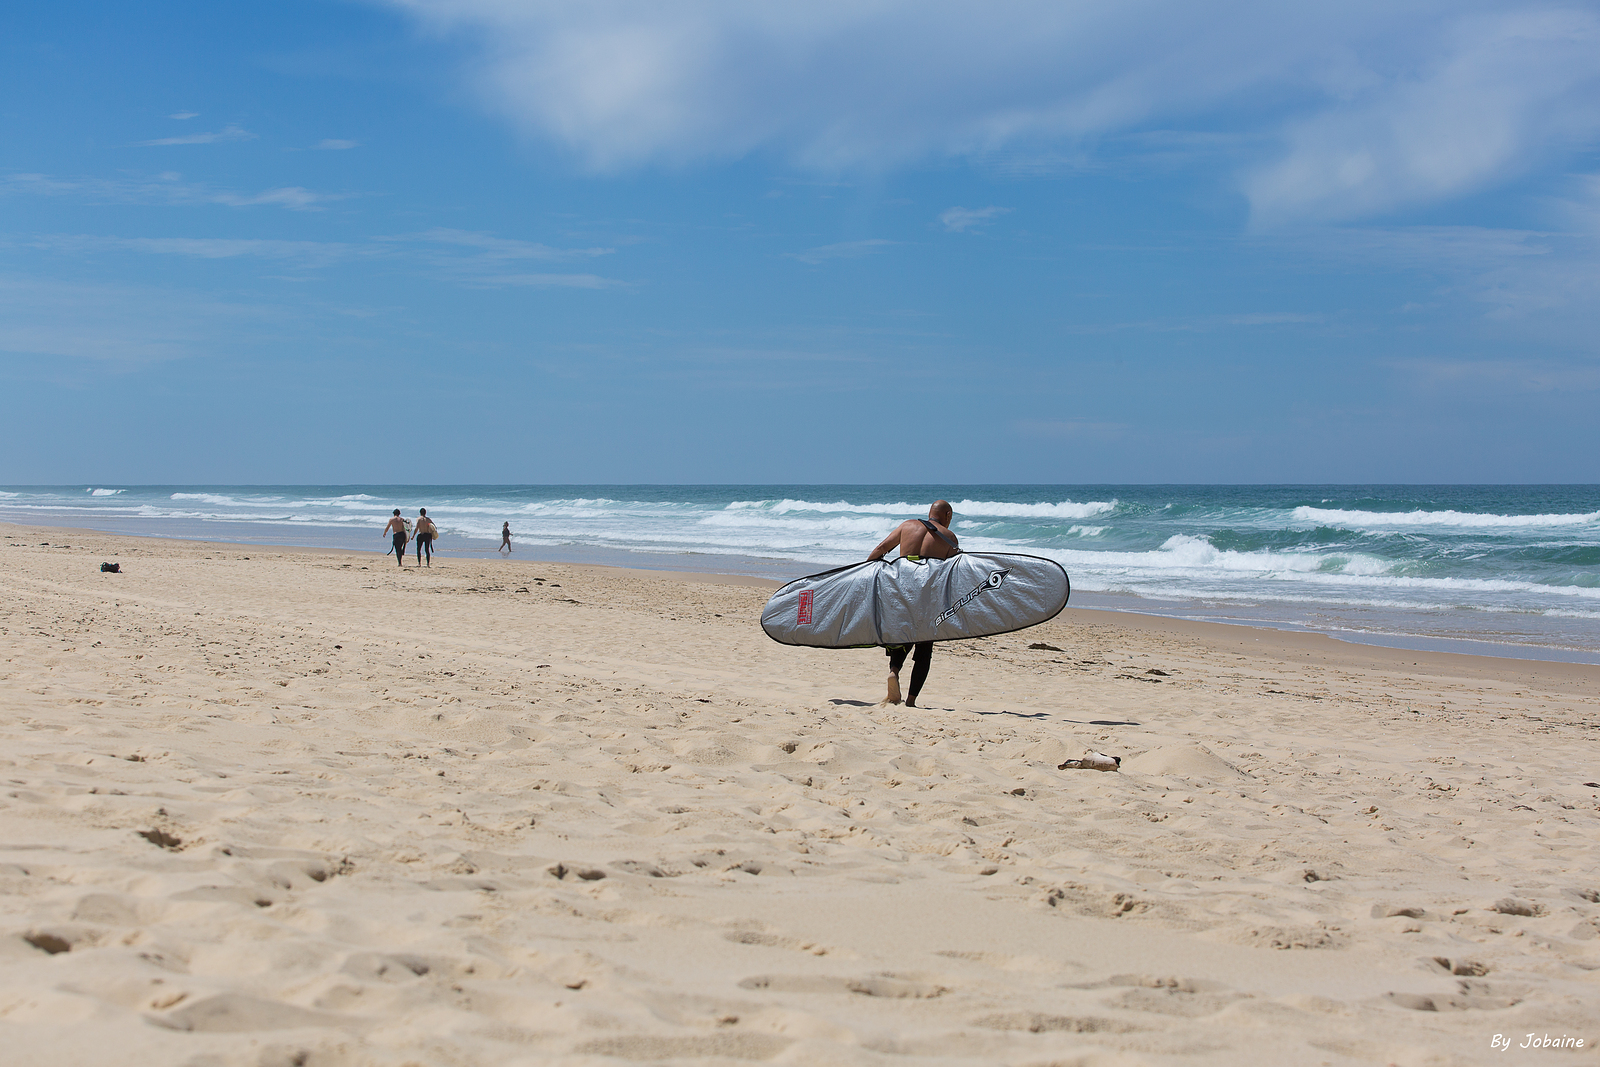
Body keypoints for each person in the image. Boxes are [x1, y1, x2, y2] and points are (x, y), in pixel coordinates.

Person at [867, 500, 960, 707]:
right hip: (928, 599)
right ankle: (911, 700)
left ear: (930, 513)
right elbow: (952, 575)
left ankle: (894, 671)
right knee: (924, 649)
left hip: (902, 592)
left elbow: (881, 548)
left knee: (902, 637)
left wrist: (866, 574)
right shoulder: (950, 538)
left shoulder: (907, 526)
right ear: (947, 515)